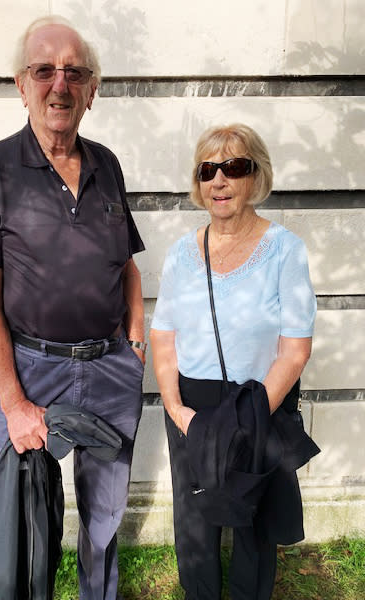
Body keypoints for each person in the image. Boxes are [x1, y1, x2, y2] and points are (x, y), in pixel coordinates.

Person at [0, 15, 146, 600]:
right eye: (44, 71)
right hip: (30, 371)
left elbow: (128, 265)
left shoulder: (107, 164)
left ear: (92, 91)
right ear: (21, 83)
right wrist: (13, 403)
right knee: (13, 520)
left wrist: (134, 343)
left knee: (105, 520)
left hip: (110, 369)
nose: (59, 85)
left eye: (75, 73)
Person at [150, 123, 317, 600]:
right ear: (199, 183)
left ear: (255, 176)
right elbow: (163, 339)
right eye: (208, 170)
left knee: (253, 521)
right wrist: (176, 408)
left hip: (260, 399)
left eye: (234, 167)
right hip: (192, 405)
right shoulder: (182, 253)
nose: (219, 180)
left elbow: (295, 348)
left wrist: (255, 412)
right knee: (195, 515)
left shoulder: (285, 250)